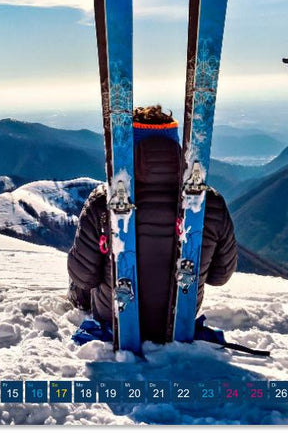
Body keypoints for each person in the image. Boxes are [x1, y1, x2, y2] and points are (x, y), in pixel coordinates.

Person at [68, 105, 238, 344]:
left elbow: (83, 276)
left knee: (85, 265)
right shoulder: (209, 202)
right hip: (181, 322)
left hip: (114, 318)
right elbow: (220, 276)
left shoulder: (103, 202)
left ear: (126, 147)